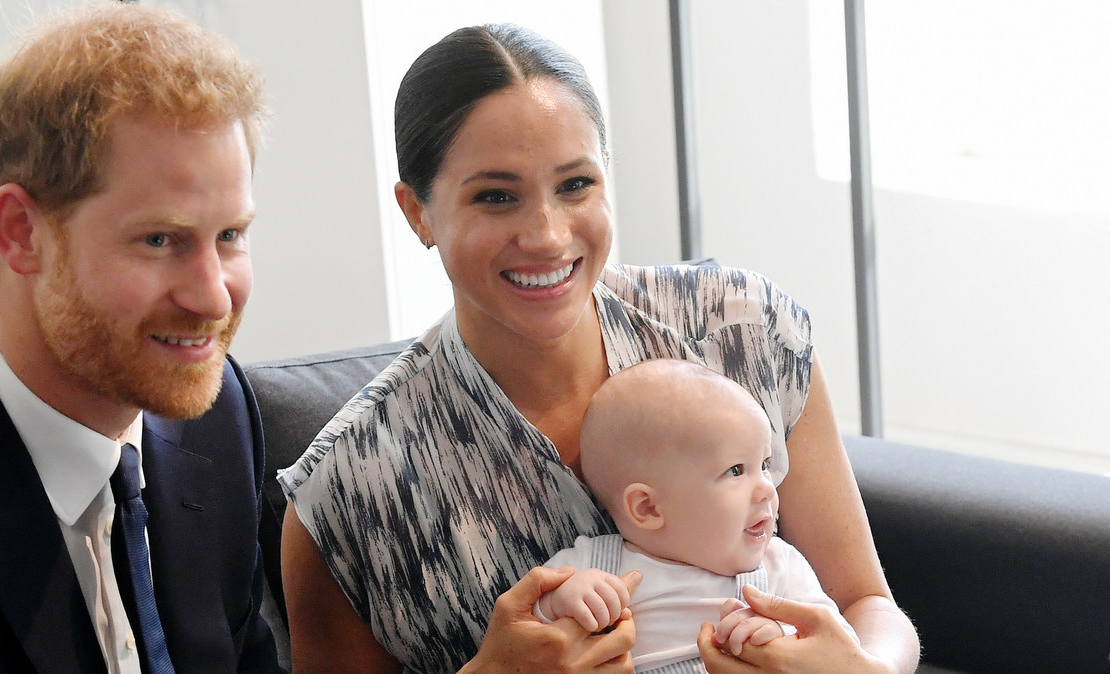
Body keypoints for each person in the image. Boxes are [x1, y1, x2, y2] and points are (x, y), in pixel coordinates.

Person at [279, 22, 919, 674]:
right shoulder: (348, 494)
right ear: (417, 211)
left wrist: (868, 670)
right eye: (496, 196)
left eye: (576, 185)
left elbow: (866, 601)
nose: (548, 236)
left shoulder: (742, 331)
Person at [0, 4, 281, 672]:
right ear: (19, 232)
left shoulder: (217, 416)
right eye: (160, 240)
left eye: (231, 236)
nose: (213, 296)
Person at [534, 358, 858, 671]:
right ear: (648, 508)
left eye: (764, 465)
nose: (767, 489)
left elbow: (836, 648)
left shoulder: (780, 566)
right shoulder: (588, 567)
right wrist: (557, 604)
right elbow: (526, 639)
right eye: (735, 470)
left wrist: (780, 636)